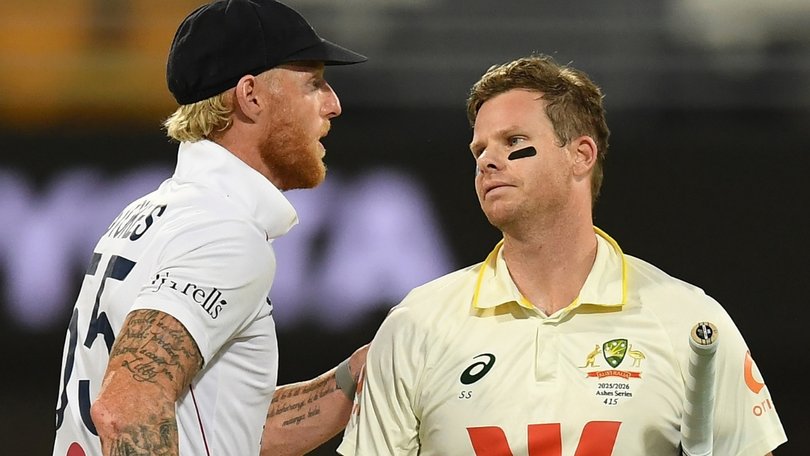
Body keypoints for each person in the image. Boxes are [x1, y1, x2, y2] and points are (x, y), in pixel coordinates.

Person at [338, 54, 787, 455]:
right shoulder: (417, 324)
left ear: (581, 154)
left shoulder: (688, 320)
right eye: (479, 149)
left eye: (514, 141)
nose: (487, 161)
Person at [52, 1, 369, 455]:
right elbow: (128, 408)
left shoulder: (156, 210)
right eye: (313, 83)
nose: (334, 104)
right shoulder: (223, 231)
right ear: (251, 95)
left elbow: (225, 428)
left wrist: (357, 378)